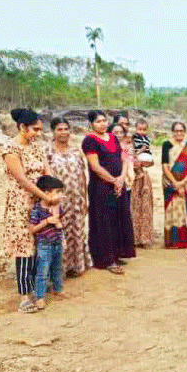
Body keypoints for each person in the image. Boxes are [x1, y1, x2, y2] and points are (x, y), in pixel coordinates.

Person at [3, 109, 58, 313]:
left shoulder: (37, 146)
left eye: (40, 130)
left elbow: (47, 171)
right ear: (22, 127)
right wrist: (46, 197)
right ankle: (24, 296)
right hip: (20, 203)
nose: (38, 133)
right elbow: (23, 181)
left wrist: (53, 191)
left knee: (42, 242)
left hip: (40, 201)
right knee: (24, 247)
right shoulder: (10, 148)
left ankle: (39, 285)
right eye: (35, 129)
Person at [82, 110, 136, 273]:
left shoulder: (112, 137)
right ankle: (106, 259)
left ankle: (117, 253)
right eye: (98, 121)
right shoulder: (89, 141)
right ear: (91, 124)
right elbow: (95, 167)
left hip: (118, 184)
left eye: (104, 120)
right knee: (104, 221)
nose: (103, 124)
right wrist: (113, 180)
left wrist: (121, 178)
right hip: (101, 187)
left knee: (118, 219)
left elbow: (124, 158)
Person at [47, 117, 92, 277]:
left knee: (78, 231)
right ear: (53, 131)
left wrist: (85, 199)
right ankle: (59, 270)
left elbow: (83, 176)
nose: (64, 132)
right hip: (58, 201)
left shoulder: (76, 151)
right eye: (60, 129)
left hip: (77, 200)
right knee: (60, 233)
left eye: (66, 129)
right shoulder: (48, 153)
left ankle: (76, 265)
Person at [29, 175, 66, 310]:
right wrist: (46, 222)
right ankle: (40, 297)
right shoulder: (37, 210)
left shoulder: (58, 207)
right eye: (57, 192)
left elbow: (60, 224)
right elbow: (32, 229)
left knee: (57, 268)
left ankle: (58, 289)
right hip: (44, 245)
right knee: (42, 271)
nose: (60, 195)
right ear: (46, 193)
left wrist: (63, 239)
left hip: (56, 242)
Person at [161, 121, 187, 249]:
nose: (179, 133)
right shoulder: (166, 145)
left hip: (185, 184)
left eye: (181, 131)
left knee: (184, 211)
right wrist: (175, 183)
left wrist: (182, 183)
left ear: (184, 132)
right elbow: (165, 166)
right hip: (170, 183)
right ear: (173, 132)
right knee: (171, 211)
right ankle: (172, 242)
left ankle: (183, 241)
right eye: (176, 131)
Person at [131, 118, 154, 247]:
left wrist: (141, 162)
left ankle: (144, 238)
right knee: (133, 209)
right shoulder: (127, 143)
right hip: (129, 180)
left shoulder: (142, 141)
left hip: (143, 179)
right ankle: (132, 239)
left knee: (145, 208)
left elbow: (151, 162)